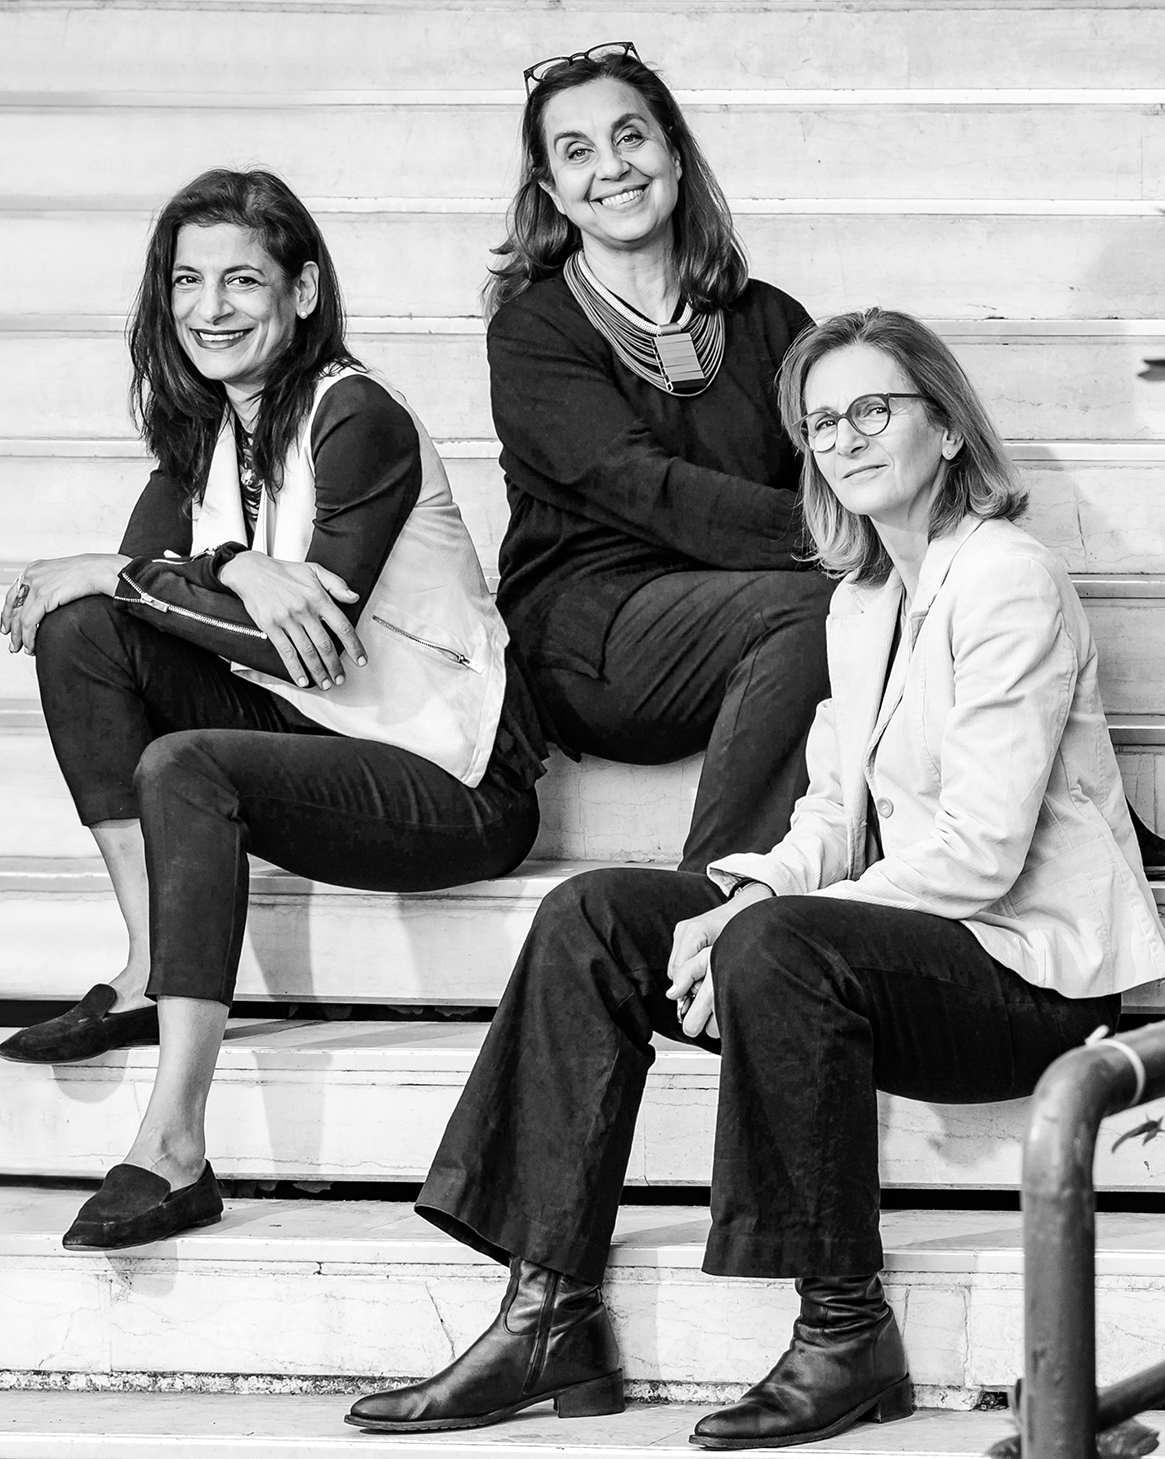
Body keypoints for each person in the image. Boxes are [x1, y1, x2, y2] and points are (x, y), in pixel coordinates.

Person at [346, 308, 1165, 1447]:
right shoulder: (862, 600)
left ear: (945, 427)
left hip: (1029, 981)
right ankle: (547, 1311)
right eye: (821, 424)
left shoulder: (1005, 580)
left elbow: (981, 851)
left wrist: (759, 918)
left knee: (776, 940)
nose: (844, 438)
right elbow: (829, 815)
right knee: (594, 913)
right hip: (910, 952)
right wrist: (746, 891)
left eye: (872, 409)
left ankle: (844, 1332)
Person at [0, 169, 544, 1250]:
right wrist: (225, 565)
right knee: (83, 633)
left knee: (184, 759)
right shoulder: (207, 431)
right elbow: (132, 596)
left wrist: (187, 571)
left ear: (301, 292)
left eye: (241, 280)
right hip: (316, 737)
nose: (210, 308)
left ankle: (174, 1145)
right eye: (187, 281)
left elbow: (307, 645)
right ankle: (150, 965)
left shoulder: (358, 417)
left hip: (449, 777)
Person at [485, 42, 832, 872]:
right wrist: (839, 538)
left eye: (630, 136)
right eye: (576, 152)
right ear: (552, 192)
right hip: (594, 636)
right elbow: (644, 489)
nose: (611, 167)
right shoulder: (534, 332)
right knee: (823, 603)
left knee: (981, 583)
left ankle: (1074, 848)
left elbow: (834, 467)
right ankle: (710, 896)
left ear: (672, 152)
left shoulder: (770, 320)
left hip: (746, 616)